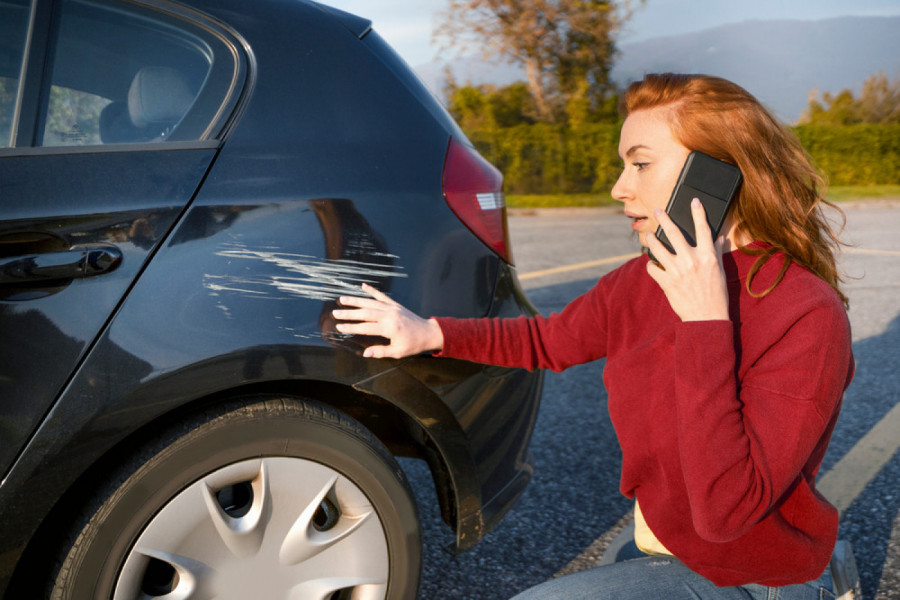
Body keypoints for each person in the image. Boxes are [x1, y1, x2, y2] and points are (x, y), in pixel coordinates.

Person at [332, 73, 855, 599]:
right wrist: (429, 332)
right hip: (664, 542)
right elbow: (549, 340)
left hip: (749, 572)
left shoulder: (805, 311)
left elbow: (728, 511)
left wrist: (705, 323)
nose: (619, 187)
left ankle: (817, 573)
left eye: (641, 163)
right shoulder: (638, 281)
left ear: (716, 173)